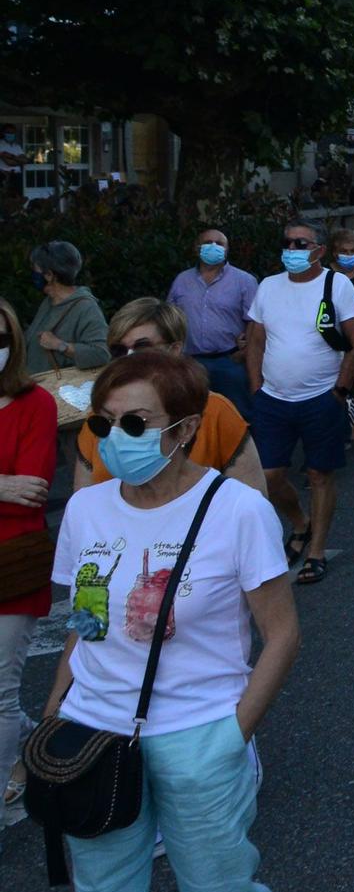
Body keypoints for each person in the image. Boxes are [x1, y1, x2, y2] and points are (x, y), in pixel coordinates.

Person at [48, 350, 298, 892]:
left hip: (200, 734)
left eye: (135, 423)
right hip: (93, 733)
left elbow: (282, 634)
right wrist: (54, 709)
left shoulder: (238, 510)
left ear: (185, 429)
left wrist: (233, 735)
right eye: (102, 423)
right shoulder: (85, 509)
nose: (116, 437)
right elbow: (84, 625)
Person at [246, 219, 354, 587]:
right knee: (268, 475)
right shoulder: (268, 286)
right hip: (273, 399)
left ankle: (315, 550)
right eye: (287, 243)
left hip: (321, 397)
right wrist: (256, 388)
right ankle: (299, 522)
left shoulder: (337, 284)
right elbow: (255, 341)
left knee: (319, 475)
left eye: (301, 243)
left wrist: (340, 391)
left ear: (319, 251)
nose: (292, 250)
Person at [74, 299, 267, 499]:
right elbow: (82, 504)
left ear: (175, 349)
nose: (129, 358)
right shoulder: (101, 418)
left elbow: (252, 501)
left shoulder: (215, 411)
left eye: (142, 347)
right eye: (118, 351)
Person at [0, 298, 56, 831]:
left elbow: (33, 489)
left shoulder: (34, 402)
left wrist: (14, 490)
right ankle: (45, 748)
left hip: (11, 566)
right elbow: (13, 487)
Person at [167, 226, 259, 417]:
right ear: (197, 248)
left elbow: (255, 321)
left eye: (219, 243)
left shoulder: (244, 281)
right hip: (192, 362)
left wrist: (244, 353)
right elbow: (169, 317)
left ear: (227, 249)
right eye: (208, 243)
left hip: (230, 363)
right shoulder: (182, 280)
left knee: (239, 416)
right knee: (196, 417)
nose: (213, 246)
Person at [23, 240, 110, 374]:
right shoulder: (49, 302)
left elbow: (101, 354)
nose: (33, 273)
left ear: (49, 275)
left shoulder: (85, 307)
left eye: (36, 269)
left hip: (57, 390)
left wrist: (59, 345)